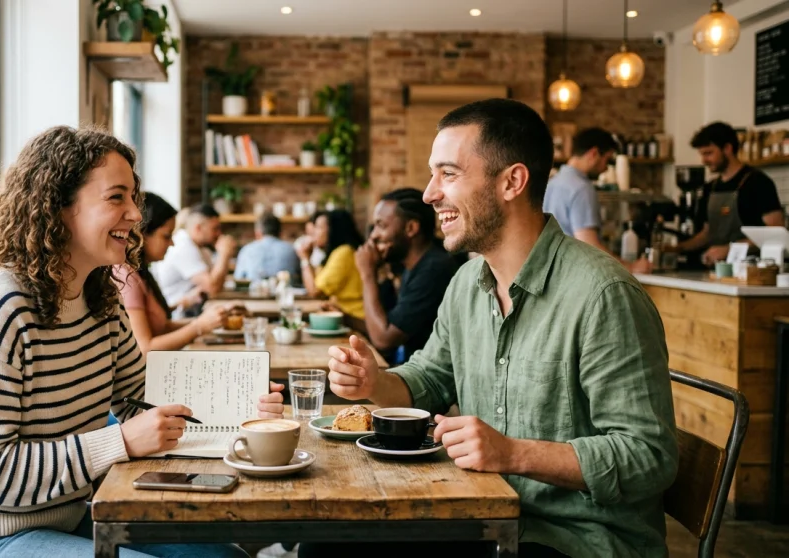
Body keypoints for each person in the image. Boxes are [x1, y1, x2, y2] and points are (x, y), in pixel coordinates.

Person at [315, 99, 679, 557]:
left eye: (448, 174)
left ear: (512, 181)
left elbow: (649, 457)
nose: (429, 194)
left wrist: (512, 454)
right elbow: (429, 378)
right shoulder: (467, 282)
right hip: (483, 516)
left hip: (575, 540)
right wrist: (375, 381)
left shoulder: (603, 295)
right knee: (328, 545)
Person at [0, 126, 261, 558]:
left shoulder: (98, 295)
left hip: (64, 515)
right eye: (117, 197)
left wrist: (249, 411)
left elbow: (143, 399)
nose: (136, 214)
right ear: (58, 206)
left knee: (225, 557)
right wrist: (121, 442)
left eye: (133, 197)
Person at [351, 188, 461, 364]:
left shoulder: (433, 270)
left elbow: (384, 340)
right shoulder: (411, 267)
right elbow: (384, 325)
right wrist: (346, 319)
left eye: (381, 225)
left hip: (433, 383)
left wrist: (367, 274)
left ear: (411, 228)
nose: (373, 236)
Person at [115, 192, 231, 352]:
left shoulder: (141, 273)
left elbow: (163, 327)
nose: (172, 243)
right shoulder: (127, 278)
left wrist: (208, 321)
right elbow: (145, 349)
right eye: (166, 236)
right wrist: (199, 326)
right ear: (142, 234)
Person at [673, 121, 784, 264]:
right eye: (702, 154)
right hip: (715, 270)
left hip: (751, 271)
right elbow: (707, 234)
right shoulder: (710, 188)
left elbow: (775, 232)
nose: (704, 160)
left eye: (709, 153)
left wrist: (730, 249)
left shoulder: (758, 183)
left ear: (727, 148)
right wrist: (677, 248)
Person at [543, 127, 651, 274]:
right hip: (574, 274)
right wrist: (630, 267)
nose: (606, 168)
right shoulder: (581, 188)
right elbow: (589, 244)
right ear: (594, 153)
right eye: (607, 159)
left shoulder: (551, 182)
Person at [151, 203, 236, 310]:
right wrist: (224, 254)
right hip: (176, 315)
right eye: (215, 229)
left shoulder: (202, 249)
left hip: (193, 311)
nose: (219, 233)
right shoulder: (182, 246)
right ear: (198, 228)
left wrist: (224, 256)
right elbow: (212, 288)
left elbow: (218, 285)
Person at [295, 209, 364, 319]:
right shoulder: (336, 253)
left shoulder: (344, 252)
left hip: (356, 319)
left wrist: (305, 259)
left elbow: (315, 291)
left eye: (319, 227)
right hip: (345, 316)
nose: (314, 232)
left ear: (333, 230)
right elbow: (316, 284)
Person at [234, 212, 300, 283]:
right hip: (284, 292)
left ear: (258, 233)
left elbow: (238, 279)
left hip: (254, 292)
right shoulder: (292, 250)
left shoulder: (246, 250)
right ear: (280, 233)